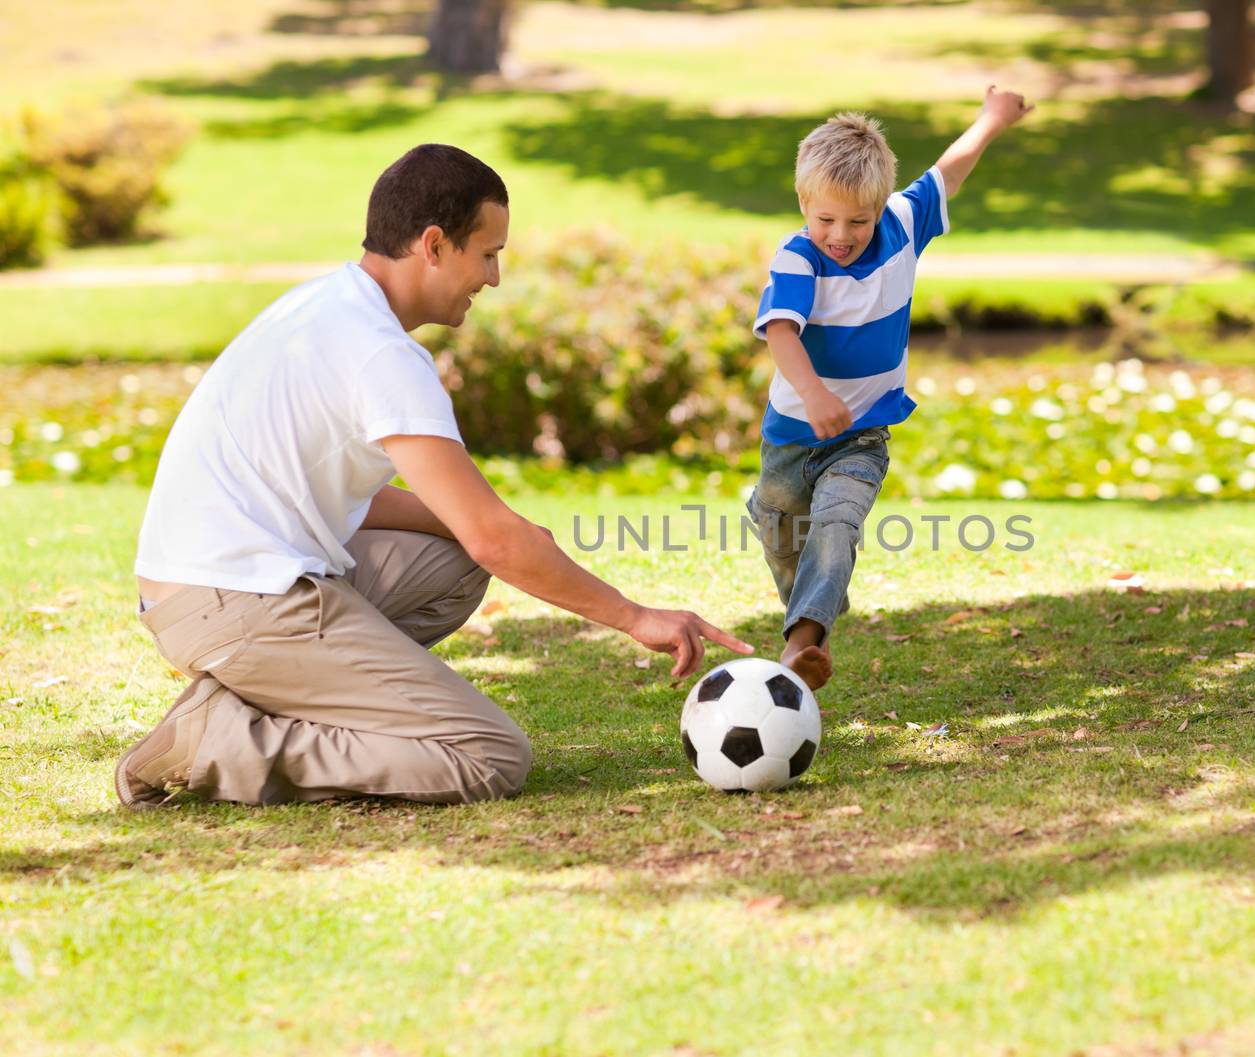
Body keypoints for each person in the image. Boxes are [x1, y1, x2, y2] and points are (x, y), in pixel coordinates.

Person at [118, 143, 751, 810]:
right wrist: (632, 615)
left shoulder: (325, 306)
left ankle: (251, 694)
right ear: (433, 245)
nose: (495, 277)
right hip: (234, 599)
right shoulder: (383, 355)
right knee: (487, 754)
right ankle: (216, 746)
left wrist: (491, 529)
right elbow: (493, 540)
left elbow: (410, 519)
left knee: (450, 563)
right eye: (487, 253)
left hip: (212, 585)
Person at [746, 88, 1033, 691]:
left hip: (863, 436)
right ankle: (813, 595)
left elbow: (948, 172)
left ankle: (802, 645)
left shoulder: (903, 224)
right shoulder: (798, 258)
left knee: (836, 526)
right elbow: (778, 330)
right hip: (791, 438)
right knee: (779, 528)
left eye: (857, 220)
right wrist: (816, 393)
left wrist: (992, 118)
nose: (840, 235)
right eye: (825, 218)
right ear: (804, 203)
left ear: (881, 206)